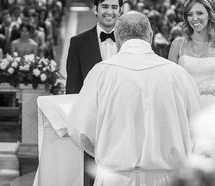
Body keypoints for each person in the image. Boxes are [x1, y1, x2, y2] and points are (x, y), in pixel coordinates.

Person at [68, 11, 201, 186]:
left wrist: (106, 154)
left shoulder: (101, 73)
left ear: (116, 36)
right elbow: (198, 129)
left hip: (115, 178)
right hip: (168, 178)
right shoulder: (178, 74)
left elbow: (80, 132)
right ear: (151, 36)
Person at [168, 0, 215, 108]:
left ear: (209, 15)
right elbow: (171, 86)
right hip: (185, 107)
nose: (195, 18)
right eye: (190, 14)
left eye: (200, 13)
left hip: (212, 109)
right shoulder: (177, 45)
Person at [66, 0, 123, 94]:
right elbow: (72, 87)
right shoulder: (78, 43)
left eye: (114, 7)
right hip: (91, 109)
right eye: (105, 6)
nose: (110, 12)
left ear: (120, 10)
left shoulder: (129, 42)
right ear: (95, 9)